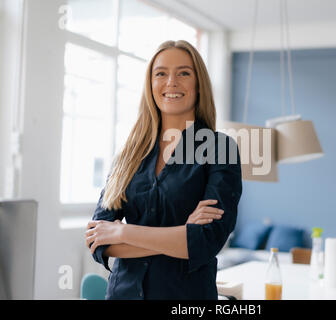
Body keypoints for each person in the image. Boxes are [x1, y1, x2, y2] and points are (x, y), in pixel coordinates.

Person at [84, 40, 242, 300]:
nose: (171, 82)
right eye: (161, 73)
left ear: (198, 84)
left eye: (183, 73)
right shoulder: (129, 153)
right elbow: (98, 240)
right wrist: (180, 236)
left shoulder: (220, 148)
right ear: (150, 84)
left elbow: (205, 241)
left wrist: (124, 231)